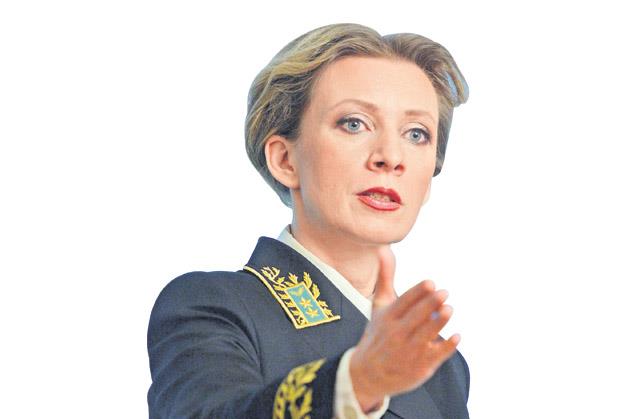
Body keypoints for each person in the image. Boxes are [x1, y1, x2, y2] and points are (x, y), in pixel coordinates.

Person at [147, 22, 470, 418]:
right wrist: (355, 383)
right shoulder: (215, 306)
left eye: (417, 134)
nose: (391, 156)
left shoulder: (441, 363)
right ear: (285, 160)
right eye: (354, 123)